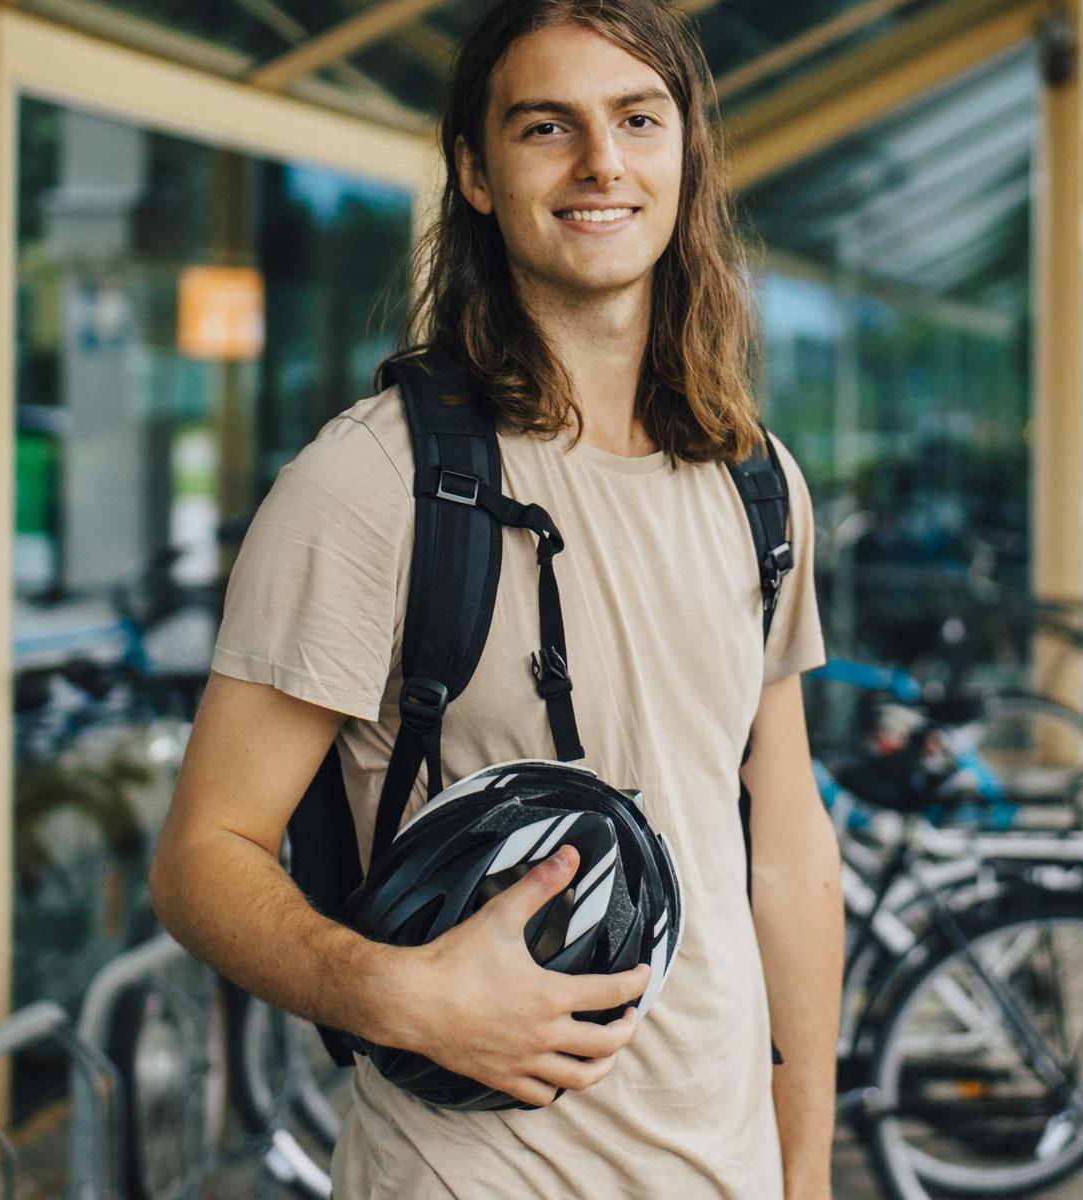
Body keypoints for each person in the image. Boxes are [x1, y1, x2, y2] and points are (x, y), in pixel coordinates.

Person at [148, 0, 843, 1194]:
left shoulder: (756, 482)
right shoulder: (373, 483)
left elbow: (784, 854)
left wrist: (806, 1164)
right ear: (473, 171)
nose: (600, 164)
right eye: (544, 128)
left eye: (637, 119)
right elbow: (201, 856)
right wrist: (393, 993)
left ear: (684, 155)